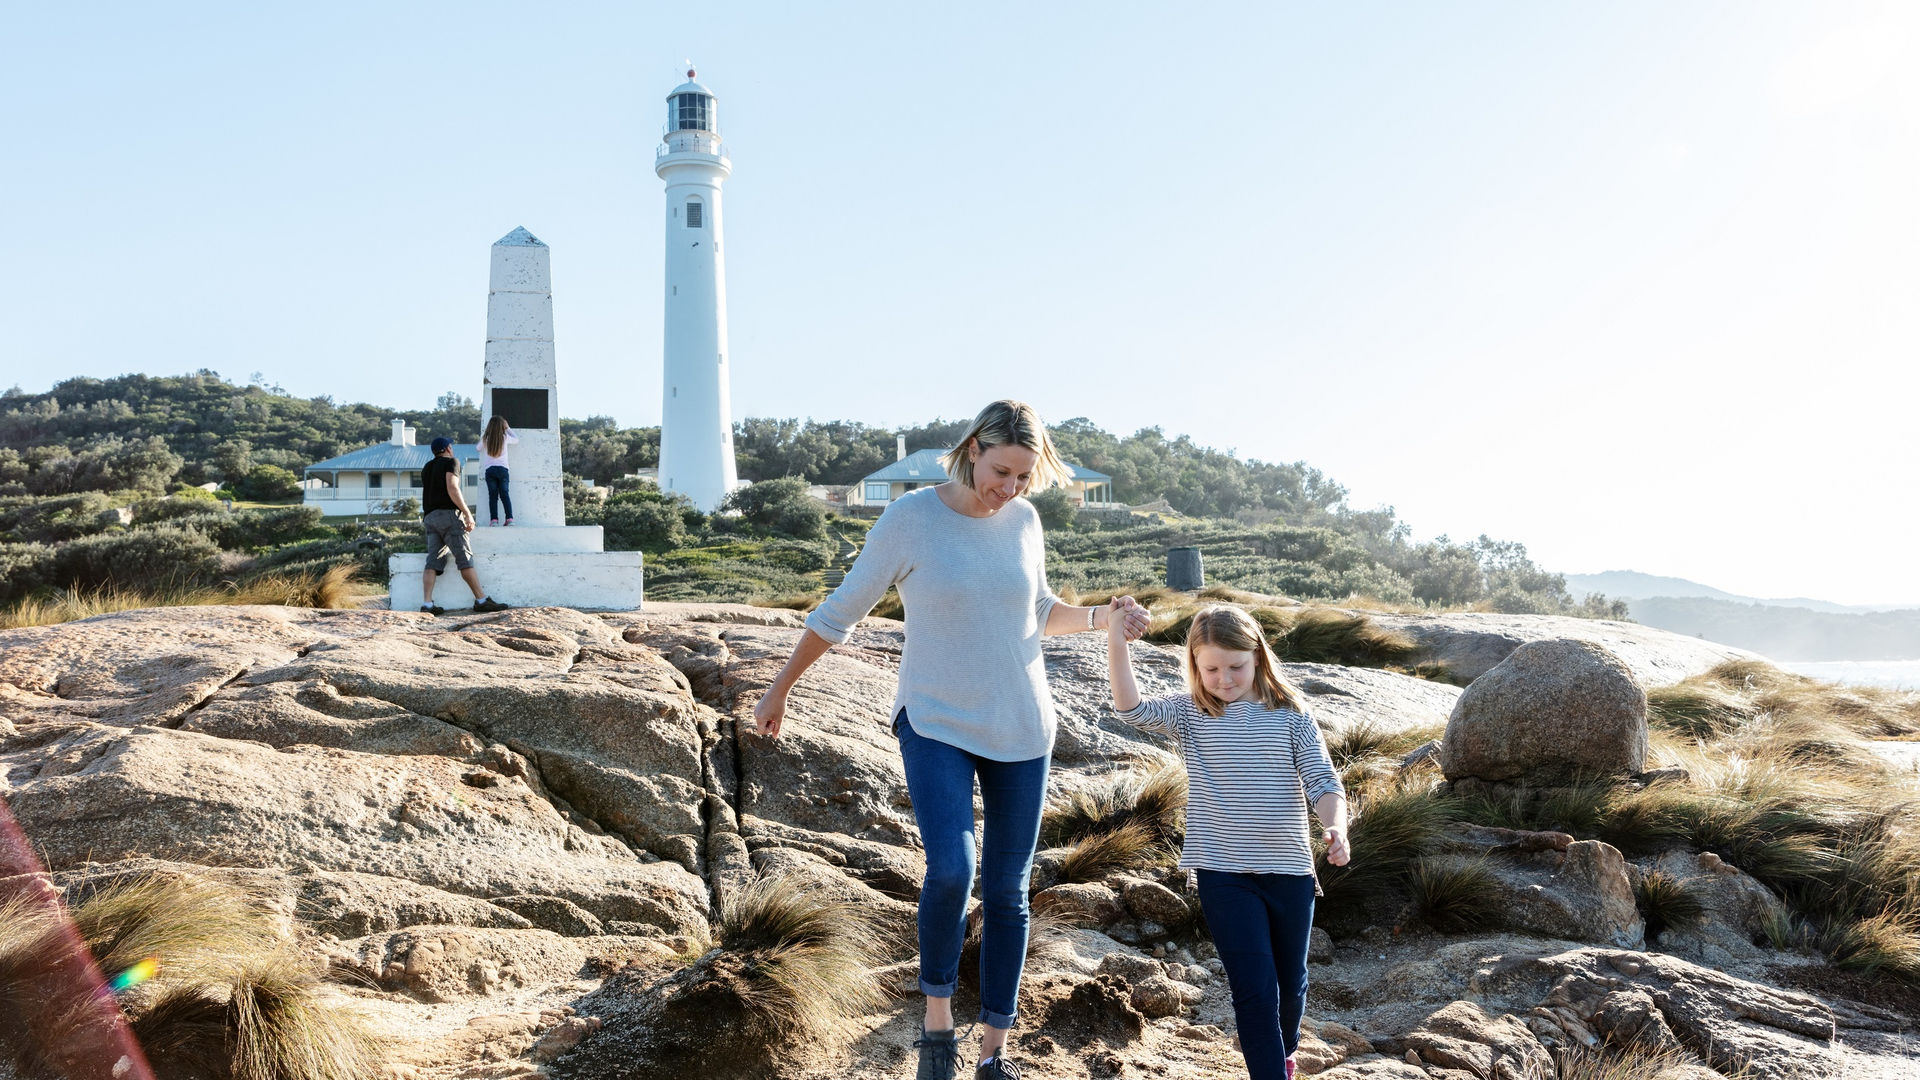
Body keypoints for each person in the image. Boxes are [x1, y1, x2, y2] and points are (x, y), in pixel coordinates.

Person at [751, 400, 1152, 1080]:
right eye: (1002, 472)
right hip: (935, 720)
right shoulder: (910, 519)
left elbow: (1039, 612)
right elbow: (840, 610)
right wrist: (781, 686)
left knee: (1007, 893)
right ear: (972, 450)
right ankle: (937, 1026)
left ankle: (994, 1050)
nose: (1011, 489)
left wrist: (1102, 619)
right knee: (950, 871)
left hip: (1023, 726)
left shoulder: (1024, 521)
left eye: (1024, 477)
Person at [1105, 603, 1349, 1080]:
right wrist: (1117, 639)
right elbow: (1129, 708)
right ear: (1194, 665)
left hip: (1290, 873)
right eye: (1210, 668)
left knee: (1290, 986)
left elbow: (1323, 781)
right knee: (1254, 988)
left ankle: (1283, 1055)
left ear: (1257, 655)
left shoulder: (1292, 715)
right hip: (1223, 874)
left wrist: (1336, 827)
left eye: (1235, 666)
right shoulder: (1191, 713)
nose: (1223, 678)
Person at [419, 436, 510, 615]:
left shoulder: (426, 468)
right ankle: (481, 600)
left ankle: (427, 604)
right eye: (451, 446)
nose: (452, 448)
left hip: (430, 517)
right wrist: (468, 514)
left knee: (432, 561)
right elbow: (452, 488)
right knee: (464, 558)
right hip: (448, 516)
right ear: (447, 448)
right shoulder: (452, 462)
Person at [479, 415, 519, 525]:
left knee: (493, 496)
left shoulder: (486, 439)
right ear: (502, 426)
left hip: (490, 470)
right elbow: (516, 439)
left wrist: (485, 434)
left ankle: (494, 520)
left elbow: (477, 448)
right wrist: (508, 428)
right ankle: (509, 519)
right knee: (505, 494)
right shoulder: (504, 437)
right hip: (503, 470)